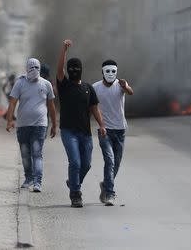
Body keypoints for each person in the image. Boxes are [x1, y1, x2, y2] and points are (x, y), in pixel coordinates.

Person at [56, 39, 107, 208]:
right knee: (75, 162)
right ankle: (75, 194)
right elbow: (60, 70)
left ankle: (73, 182)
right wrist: (64, 51)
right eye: (71, 68)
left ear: (81, 70)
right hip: (68, 132)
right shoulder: (64, 86)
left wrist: (102, 125)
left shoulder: (88, 88)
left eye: (76, 68)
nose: (74, 70)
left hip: (85, 133)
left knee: (86, 164)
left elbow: (95, 109)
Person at [6, 58, 57, 192]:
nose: (34, 70)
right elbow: (12, 102)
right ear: (27, 68)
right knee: (25, 153)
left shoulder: (46, 84)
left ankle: (37, 182)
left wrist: (54, 124)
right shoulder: (20, 83)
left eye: (36, 67)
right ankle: (28, 178)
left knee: (37, 153)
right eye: (31, 67)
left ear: (40, 68)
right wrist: (9, 120)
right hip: (22, 125)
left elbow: (51, 106)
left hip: (40, 125)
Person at [93, 60, 133, 206]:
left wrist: (125, 86)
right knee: (109, 161)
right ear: (102, 71)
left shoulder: (121, 85)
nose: (110, 74)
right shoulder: (95, 87)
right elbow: (90, 106)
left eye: (113, 71)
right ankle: (110, 193)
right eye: (107, 71)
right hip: (105, 131)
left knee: (116, 163)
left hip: (120, 130)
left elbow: (131, 92)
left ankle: (106, 185)